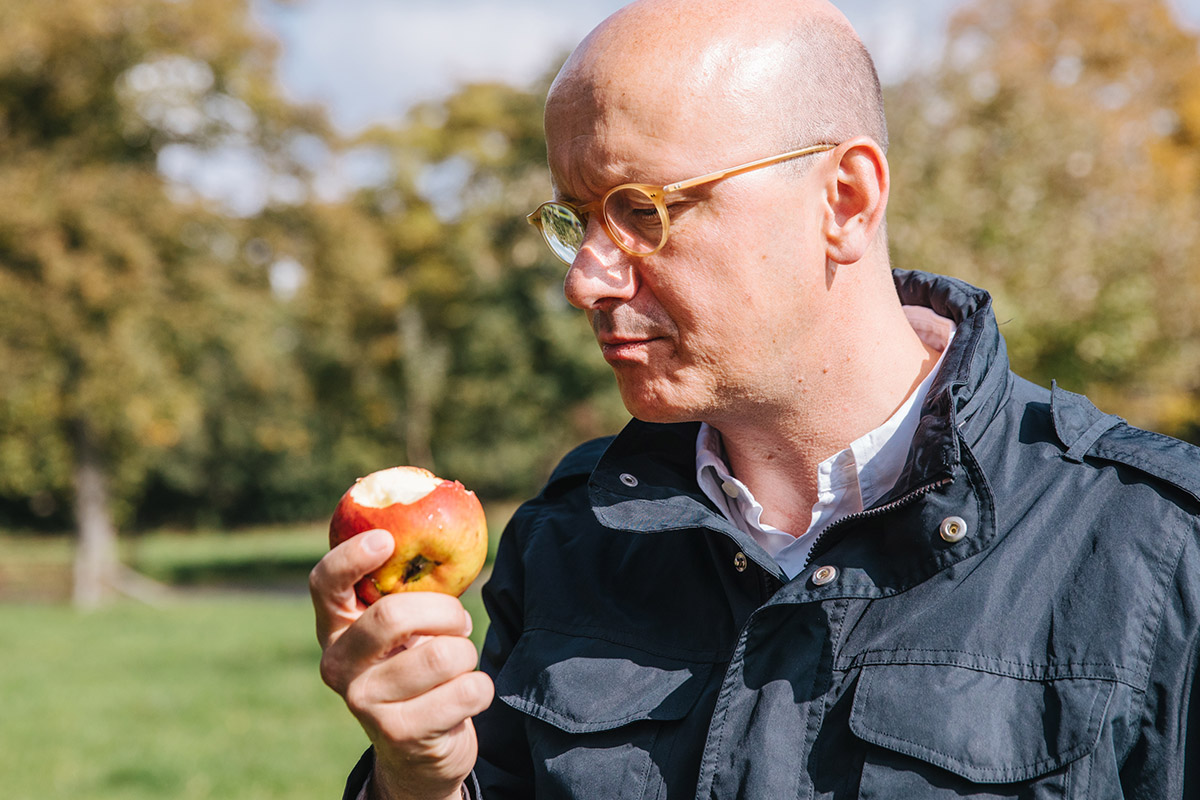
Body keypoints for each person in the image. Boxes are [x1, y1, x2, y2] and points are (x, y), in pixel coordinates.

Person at [309, 0, 1200, 797]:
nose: (586, 279)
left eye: (642, 210)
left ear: (844, 200)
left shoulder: (1156, 547)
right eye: (576, 221)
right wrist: (418, 780)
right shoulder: (569, 539)